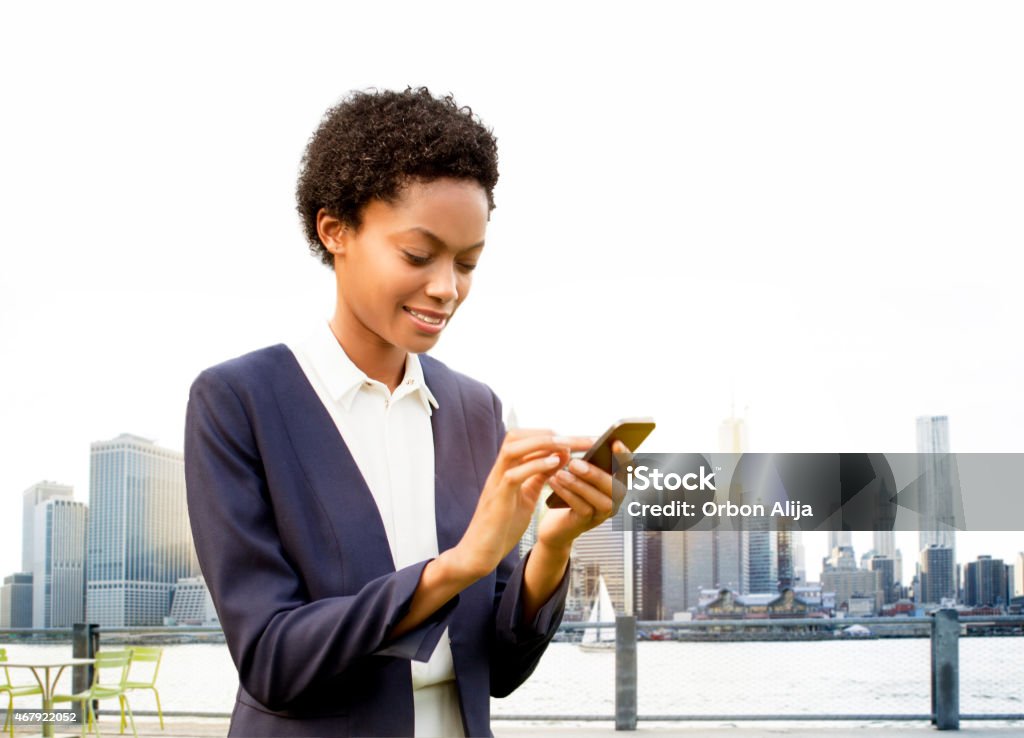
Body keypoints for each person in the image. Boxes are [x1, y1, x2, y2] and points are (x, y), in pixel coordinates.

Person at [184, 87, 625, 737]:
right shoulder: (238, 401)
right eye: (418, 256)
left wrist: (554, 544)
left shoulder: (475, 410)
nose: (446, 288)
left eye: (466, 263)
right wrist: (458, 566)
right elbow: (271, 658)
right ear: (334, 230)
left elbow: (499, 667)